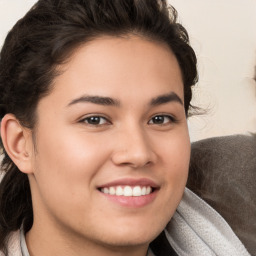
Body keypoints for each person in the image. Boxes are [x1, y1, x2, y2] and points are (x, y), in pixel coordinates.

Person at [0, 0, 250, 255]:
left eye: (160, 119)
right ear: (20, 144)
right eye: (94, 120)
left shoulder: (241, 203)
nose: (138, 153)